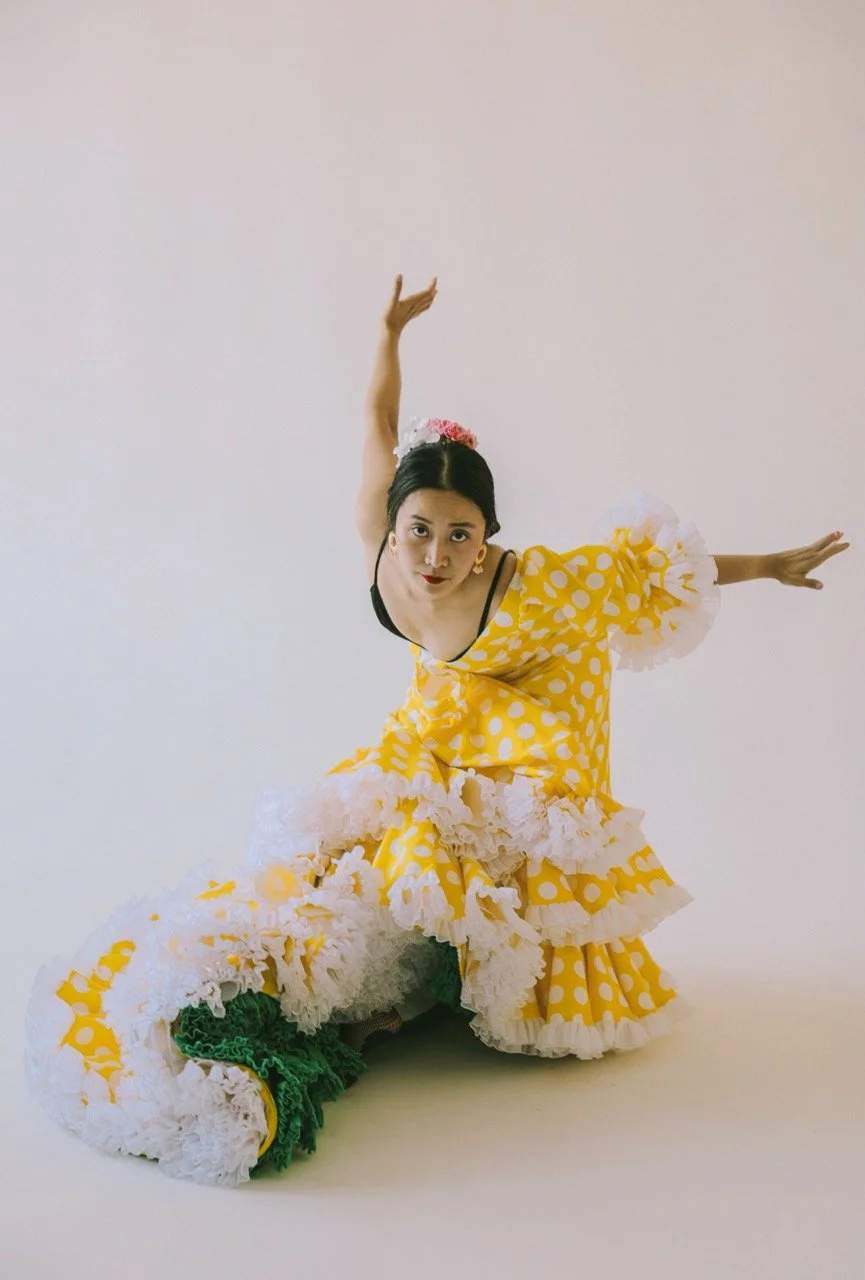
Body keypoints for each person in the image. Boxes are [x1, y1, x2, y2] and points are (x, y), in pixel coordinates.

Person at [25, 276, 850, 1186]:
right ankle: (296, 977)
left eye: (462, 537)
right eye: (420, 530)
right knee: (357, 849)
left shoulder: (540, 584)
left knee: (505, 857)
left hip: (530, 715)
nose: (434, 558)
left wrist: (771, 564)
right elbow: (379, 420)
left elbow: (651, 576)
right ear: (392, 522)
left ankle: (448, 974)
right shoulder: (377, 533)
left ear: (490, 538)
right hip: (434, 725)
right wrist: (388, 333)